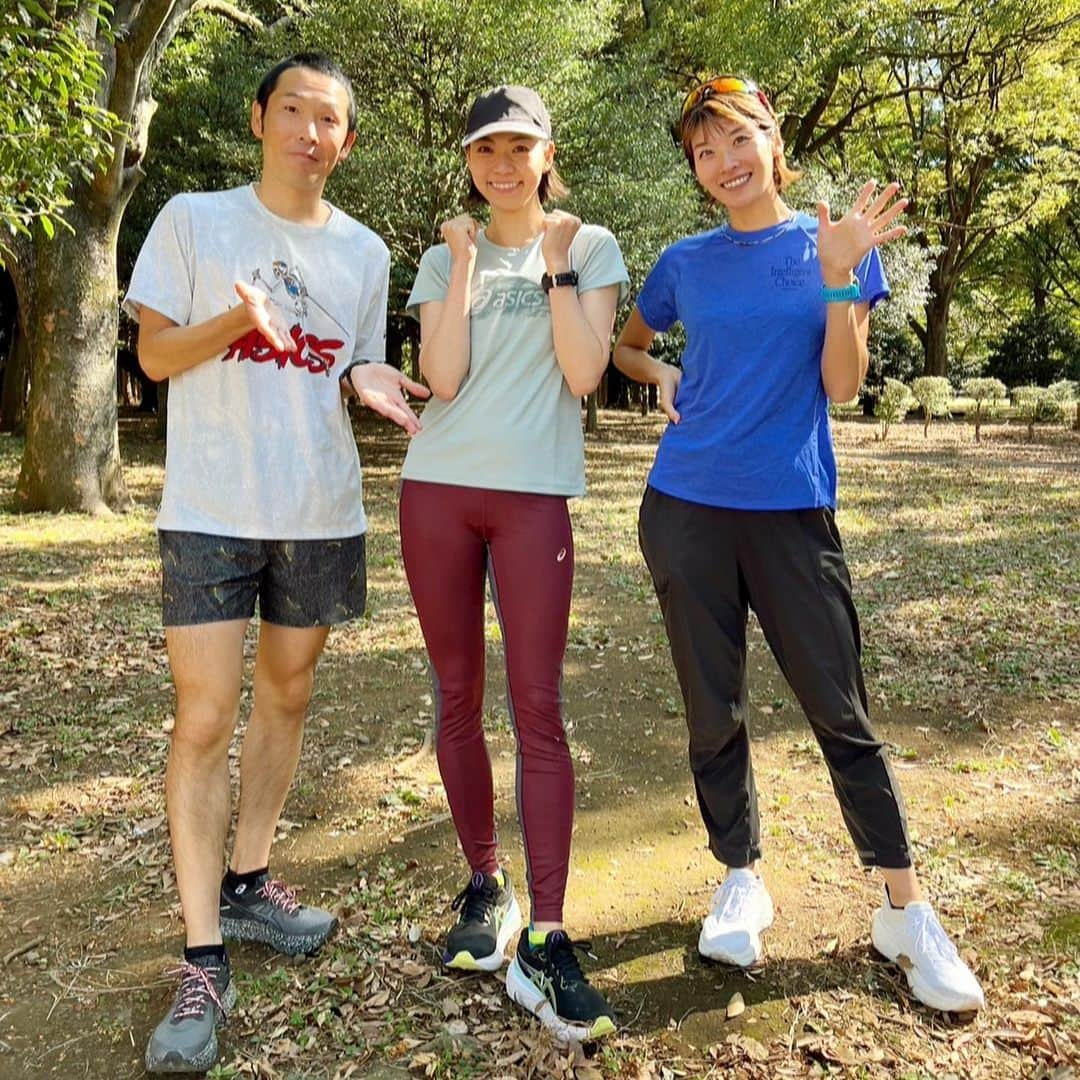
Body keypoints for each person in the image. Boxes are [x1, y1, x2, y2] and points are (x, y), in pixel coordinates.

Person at [613, 76, 984, 1015]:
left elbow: (844, 383)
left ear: (773, 141)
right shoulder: (685, 260)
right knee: (712, 707)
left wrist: (837, 273)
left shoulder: (832, 245)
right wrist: (657, 369)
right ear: (696, 171)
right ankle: (739, 875)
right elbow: (625, 344)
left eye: (739, 140)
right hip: (685, 507)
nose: (726, 162)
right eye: (705, 151)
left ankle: (904, 909)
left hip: (791, 512)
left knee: (839, 710)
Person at [124, 52, 428, 1073]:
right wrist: (235, 321)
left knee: (288, 699)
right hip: (210, 507)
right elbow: (157, 358)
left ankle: (252, 881)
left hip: (318, 507)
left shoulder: (365, 248)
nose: (310, 129)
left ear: (346, 139)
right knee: (206, 717)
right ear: (261, 118)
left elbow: (348, 360)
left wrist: (378, 380)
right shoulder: (193, 221)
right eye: (293, 109)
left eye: (330, 118)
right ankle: (203, 954)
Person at [399, 85, 629, 1042]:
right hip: (438, 493)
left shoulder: (589, 246)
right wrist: (457, 269)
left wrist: (557, 266)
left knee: (539, 707)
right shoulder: (439, 253)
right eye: (486, 148)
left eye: (519, 147)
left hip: (534, 500)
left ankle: (551, 933)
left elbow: (583, 374)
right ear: (469, 159)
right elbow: (441, 379)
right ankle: (484, 885)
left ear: (545, 154)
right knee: (457, 695)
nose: (502, 163)